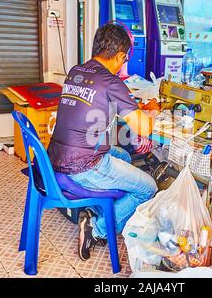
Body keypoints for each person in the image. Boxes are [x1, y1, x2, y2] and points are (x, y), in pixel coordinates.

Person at [47, 24, 158, 261]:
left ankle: (103, 209)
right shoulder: (111, 81)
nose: (124, 63)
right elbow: (145, 128)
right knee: (148, 188)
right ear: (120, 56)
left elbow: (94, 106)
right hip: (83, 165)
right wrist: (153, 110)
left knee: (125, 157)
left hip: (55, 157)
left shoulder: (76, 71)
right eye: (125, 58)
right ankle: (95, 229)